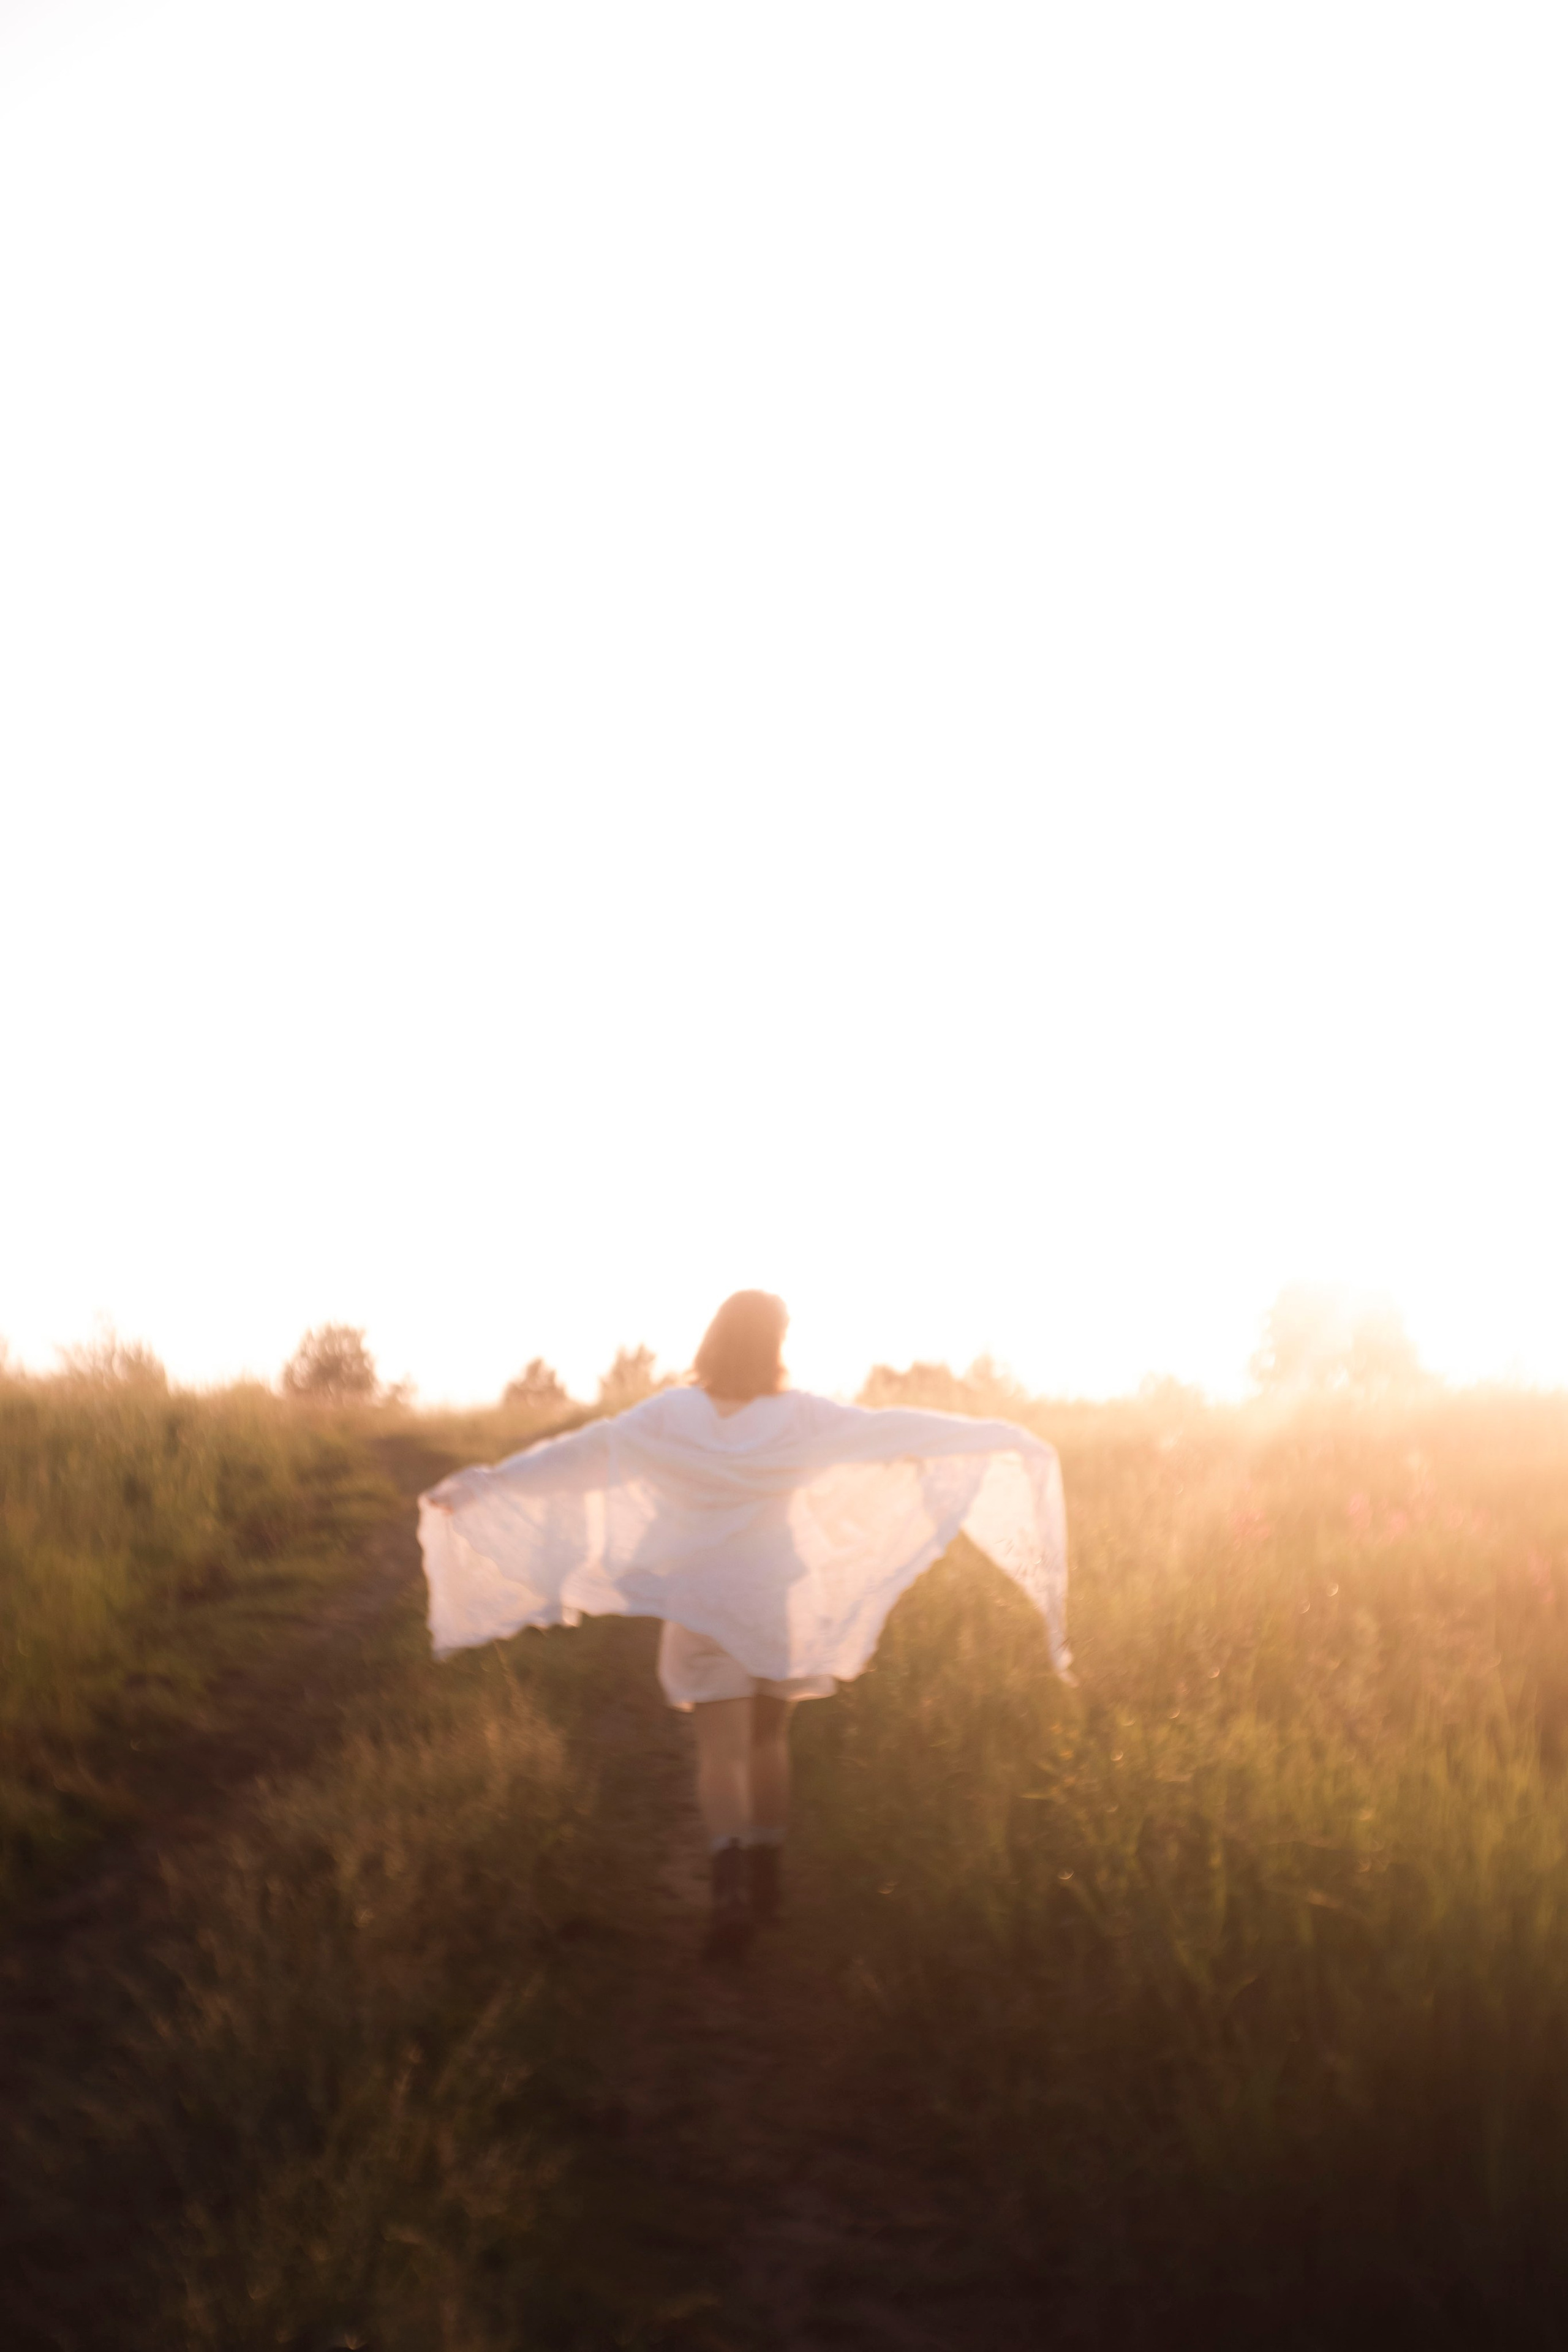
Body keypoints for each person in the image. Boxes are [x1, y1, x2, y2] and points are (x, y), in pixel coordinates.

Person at [420, 1292, 1069, 1959]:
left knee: (719, 1750)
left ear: (713, 1340)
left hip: (701, 1604)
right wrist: (1000, 1437)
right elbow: (892, 1429)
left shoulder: (670, 1416)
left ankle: (727, 1883)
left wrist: (481, 1486)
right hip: (775, 1601)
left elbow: (586, 1454)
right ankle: (767, 1879)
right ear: (776, 1345)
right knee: (766, 1742)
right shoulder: (801, 1418)